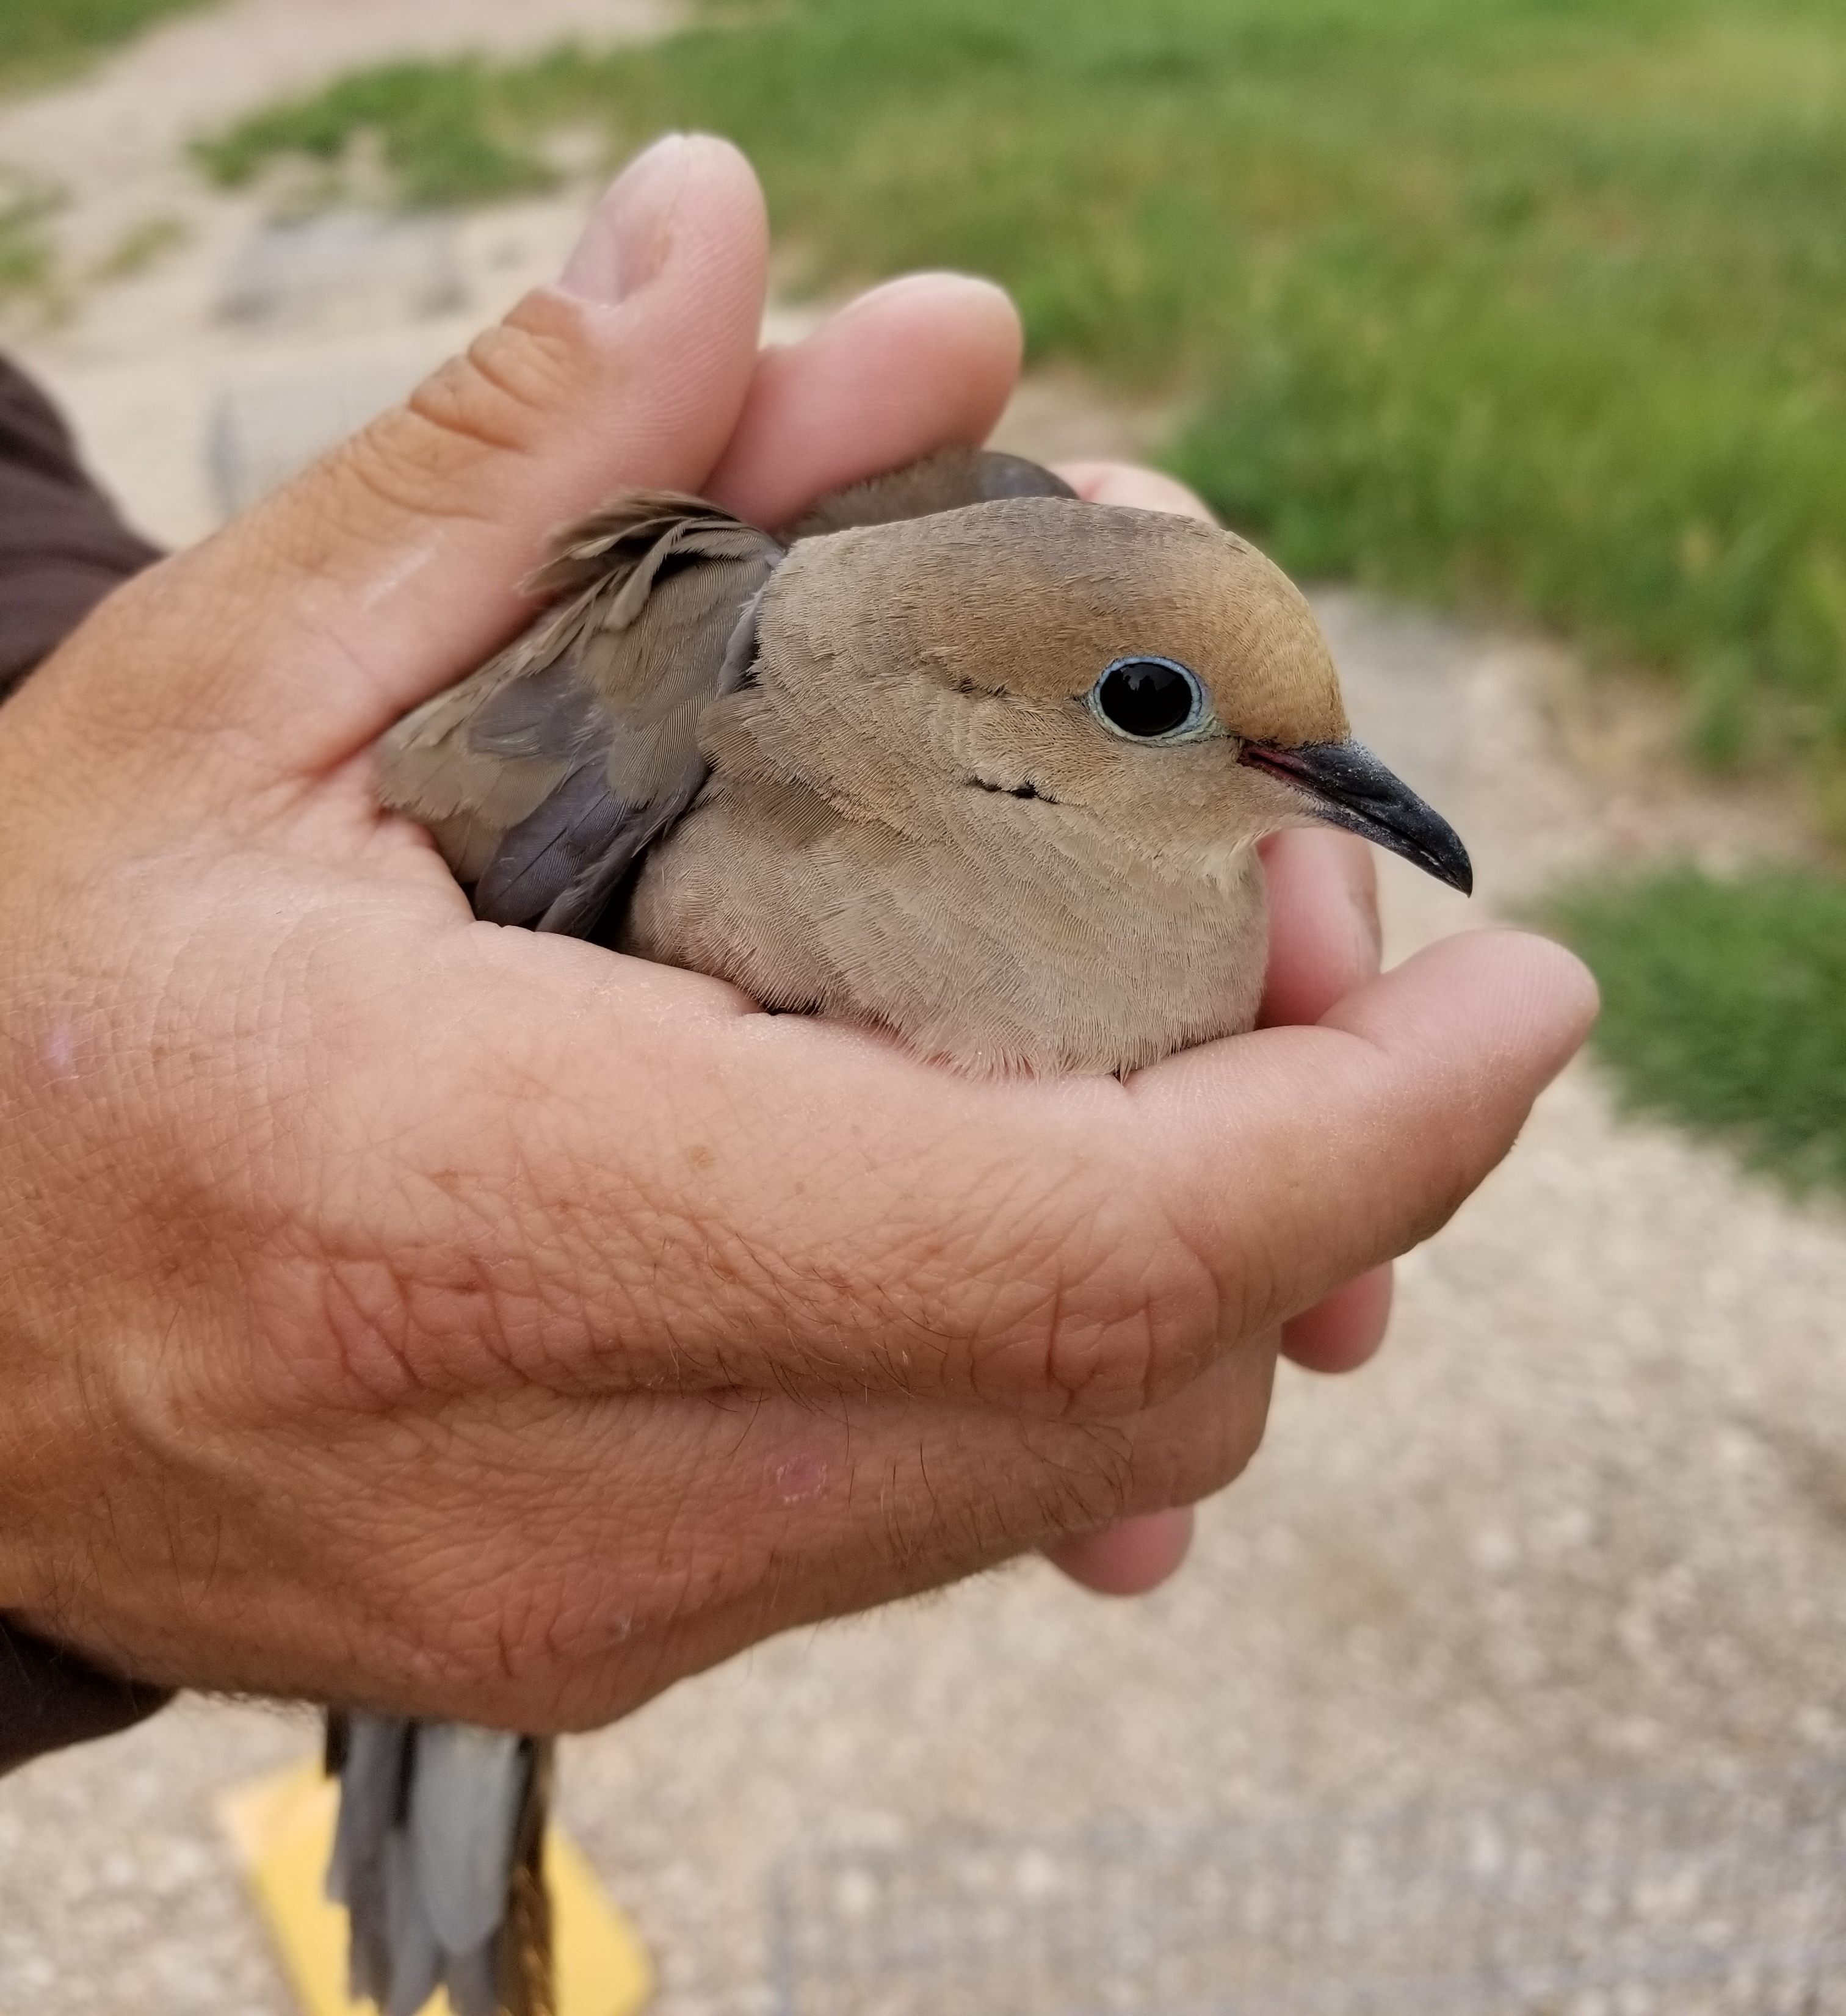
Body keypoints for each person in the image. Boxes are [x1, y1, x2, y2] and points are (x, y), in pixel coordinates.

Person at [0, 137, 1595, 1772]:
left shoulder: (1176, 857)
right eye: (1146, 708)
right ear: (981, 717)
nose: (1345, 806)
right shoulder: (734, 709)